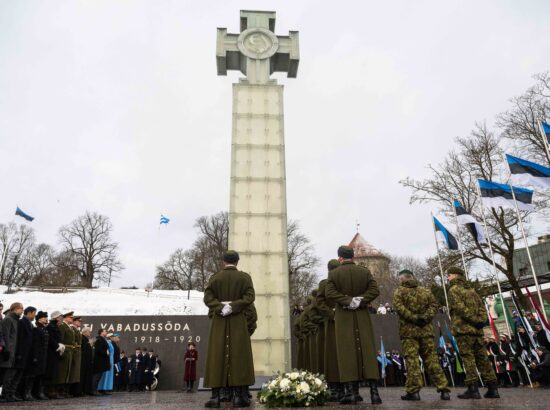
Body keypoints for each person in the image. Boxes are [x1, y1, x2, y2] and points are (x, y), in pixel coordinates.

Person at [325, 245, 381, 405]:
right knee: (368, 351)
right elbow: (374, 290)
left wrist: (347, 301)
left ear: (339, 258)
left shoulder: (334, 273)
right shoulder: (364, 271)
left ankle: (350, 393)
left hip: (344, 316)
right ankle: (374, 393)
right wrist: (360, 300)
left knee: (346, 352)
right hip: (362, 314)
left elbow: (330, 293)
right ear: (353, 256)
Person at [203, 250, 255, 408]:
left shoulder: (215, 278)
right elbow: (250, 297)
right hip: (238, 319)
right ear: (237, 261)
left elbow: (207, 298)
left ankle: (215, 396)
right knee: (240, 354)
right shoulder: (245, 277)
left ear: (223, 261)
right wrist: (233, 307)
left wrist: (220, 307)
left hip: (219, 320)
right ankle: (240, 396)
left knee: (216, 355)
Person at [392, 269, 450, 400]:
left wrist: (414, 318)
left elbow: (399, 308)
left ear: (402, 279)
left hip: (409, 333)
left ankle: (414, 391)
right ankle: (444, 389)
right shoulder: (426, 291)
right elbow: (434, 306)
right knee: (432, 360)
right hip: (426, 331)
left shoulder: (399, 292)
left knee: (412, 362)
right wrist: (424, 318)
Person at [447, 266, 499, 399]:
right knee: (483, 359)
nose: (448, 277)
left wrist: (474, 320)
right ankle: (493, 388)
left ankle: (473, 389)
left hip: (464, 330)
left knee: (468, 359)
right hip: (477, 331)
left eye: (450, 275)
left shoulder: (453, 290)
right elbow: (482, 308)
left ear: (456, 276)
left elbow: (460, 308)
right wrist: (481, 321)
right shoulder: (472, 290)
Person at [316, 259, 342, 402]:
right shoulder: (334, 283)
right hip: (340, 320)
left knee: (332, 355)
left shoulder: (324, 283)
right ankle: (346, 388)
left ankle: (334, 389)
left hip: (332, 322)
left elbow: (320, 302)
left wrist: (331, 314)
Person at [0, 302, 24, 402]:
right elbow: (5, 335)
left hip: (14, 351)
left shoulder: (16, 320)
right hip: (9, 351)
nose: (22, 310)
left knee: (11, 374)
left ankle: (9, 394)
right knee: (6, 374)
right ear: (15, 309)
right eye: (21, 308)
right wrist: (7, 350)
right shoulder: (8, 319)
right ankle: (4, 394)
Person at [53, 311, 75, 398]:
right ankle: (59, 390)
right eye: (71, 317)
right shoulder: (63, 326)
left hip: (69, 350)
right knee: (62, 371)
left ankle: (64, 390)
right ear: (66, 318)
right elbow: (61, 339)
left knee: (67, 371)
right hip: (65, 350)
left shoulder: (69, 327)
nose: (72, 319)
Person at [19, 306, 37, 401]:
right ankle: (20, 393)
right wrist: (20, 353)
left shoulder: (30, 323)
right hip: (24, 352)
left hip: (29, 353)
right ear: (29, 313)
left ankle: (26, 393)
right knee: (21, 375)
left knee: (28, 374)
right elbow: (21, 339)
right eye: (34, 313)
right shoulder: (22, 322)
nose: (35, 315)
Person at [44, 311, 63, 399]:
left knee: (55, 372)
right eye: (60, 316)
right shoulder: (51, 326)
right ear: (55, 317)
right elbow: (51, 338)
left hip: (55, 351)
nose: (61, 318)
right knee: (51, 372)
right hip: (51, 351)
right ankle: (50, 391)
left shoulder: (55, 326)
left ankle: (53, 391)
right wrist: (57, 345)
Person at [31, 311, 50, 400]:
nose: (46, 319)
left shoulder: (44, 329)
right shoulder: (36, 329)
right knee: (36, 374)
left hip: (44, 355)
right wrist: (35, 356)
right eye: (44, 317)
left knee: (42, 374)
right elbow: (35, 344)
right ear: (39, 319)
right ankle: (33, 392)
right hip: (38, 355)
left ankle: (39, 392)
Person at [92, 328, 110, 395]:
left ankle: (96, 390)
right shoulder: (99, 339)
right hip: (99, 362)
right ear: (101, 332)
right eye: (105, 331)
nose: (106, 332)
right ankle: (93, 390)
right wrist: (106, 352)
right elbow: (98, 350)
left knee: (99, 377)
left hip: (102, 361)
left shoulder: (102, 339)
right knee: (96, 376)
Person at [69, 316, 82, 396]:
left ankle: (75, 390)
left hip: (77, 351)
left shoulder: (76, 330)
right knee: (73, 372)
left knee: (76, 373)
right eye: (78, 321)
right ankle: (72, 391)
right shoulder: (72, 329)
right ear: (74, 321)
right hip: (74, 351)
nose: (80, 322)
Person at [79, 327, 93, 396]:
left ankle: (85, 390)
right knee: (82, 375)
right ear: (85, 332)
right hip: (83, 360)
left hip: (87, 360)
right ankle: (80, 390)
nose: (90, 333)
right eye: (89, 331)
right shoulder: (82, 338)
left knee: (86, 376)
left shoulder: (86, 339)